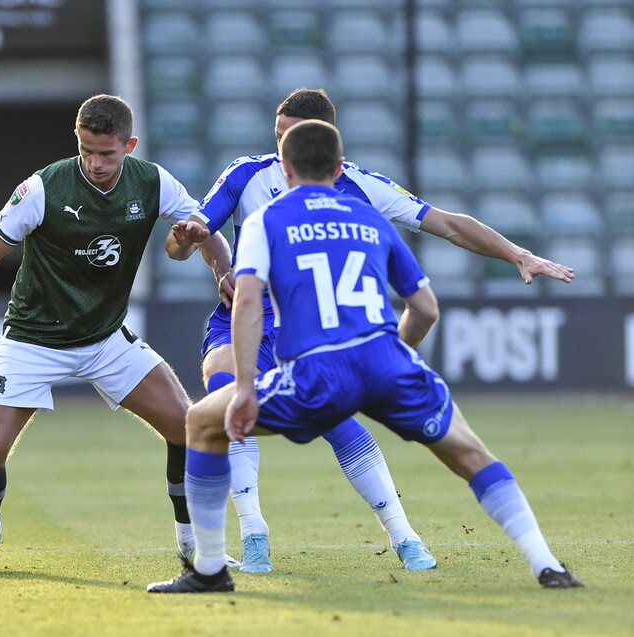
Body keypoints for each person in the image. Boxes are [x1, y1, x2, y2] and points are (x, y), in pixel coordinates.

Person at [148, 119, 583, 593]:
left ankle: (210, 568)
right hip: (385, 358)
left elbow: (247, 302)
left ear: (286, 170)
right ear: (338, 167)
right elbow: (425, 309)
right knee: (470, 452)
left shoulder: (265, 221)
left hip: (316, 367)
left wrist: (248, 390)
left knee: (204, 421)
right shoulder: (370, 216)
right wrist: (392, 359)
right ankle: (546, 563)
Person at [0, 94, 233, 564]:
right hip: (32, 338)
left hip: (105, 339)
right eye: (86, 150)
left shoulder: (152, 183)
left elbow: (200, 231)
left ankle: (194, 546)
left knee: (188, 427)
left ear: (129, 145)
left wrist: (221, 271)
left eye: (106, 153)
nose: (94, 162)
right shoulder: (44, 188)